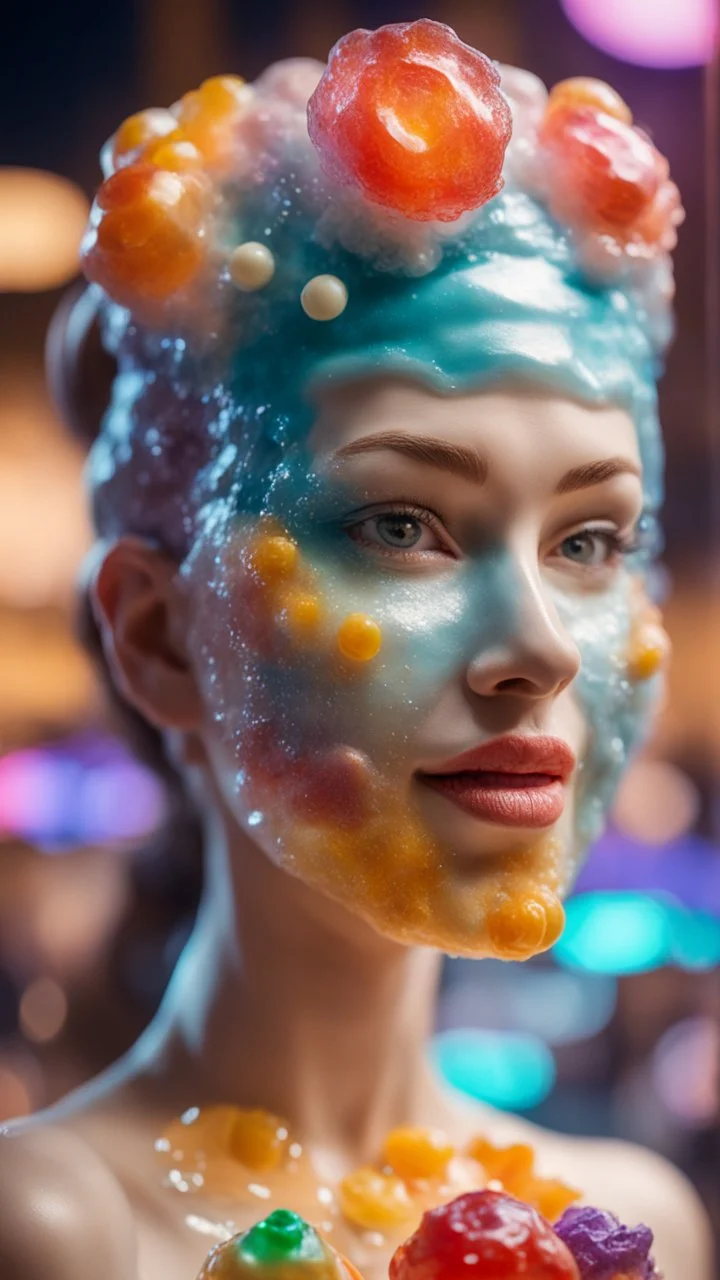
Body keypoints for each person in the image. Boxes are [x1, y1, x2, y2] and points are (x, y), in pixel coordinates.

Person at [0, 20, 712, 1280]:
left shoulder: (633, 1218)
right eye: (402, 525)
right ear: (159, 634)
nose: (537, 647)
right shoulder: (57, 1226)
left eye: (594, 539)